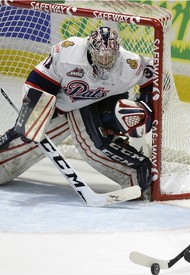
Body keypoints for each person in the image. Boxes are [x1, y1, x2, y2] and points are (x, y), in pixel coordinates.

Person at [0, 26, 154, 197]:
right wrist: (32, 114)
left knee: (95, 143)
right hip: (61, 106)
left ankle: (139, 175)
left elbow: (152, 79)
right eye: (100, 55)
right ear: (90, 48)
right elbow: (37, 82)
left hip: (103, 107)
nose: (105, 59)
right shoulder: (69, 54)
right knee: (25, 140)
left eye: (110, 56)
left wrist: (145, 109)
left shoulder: (129, 64)